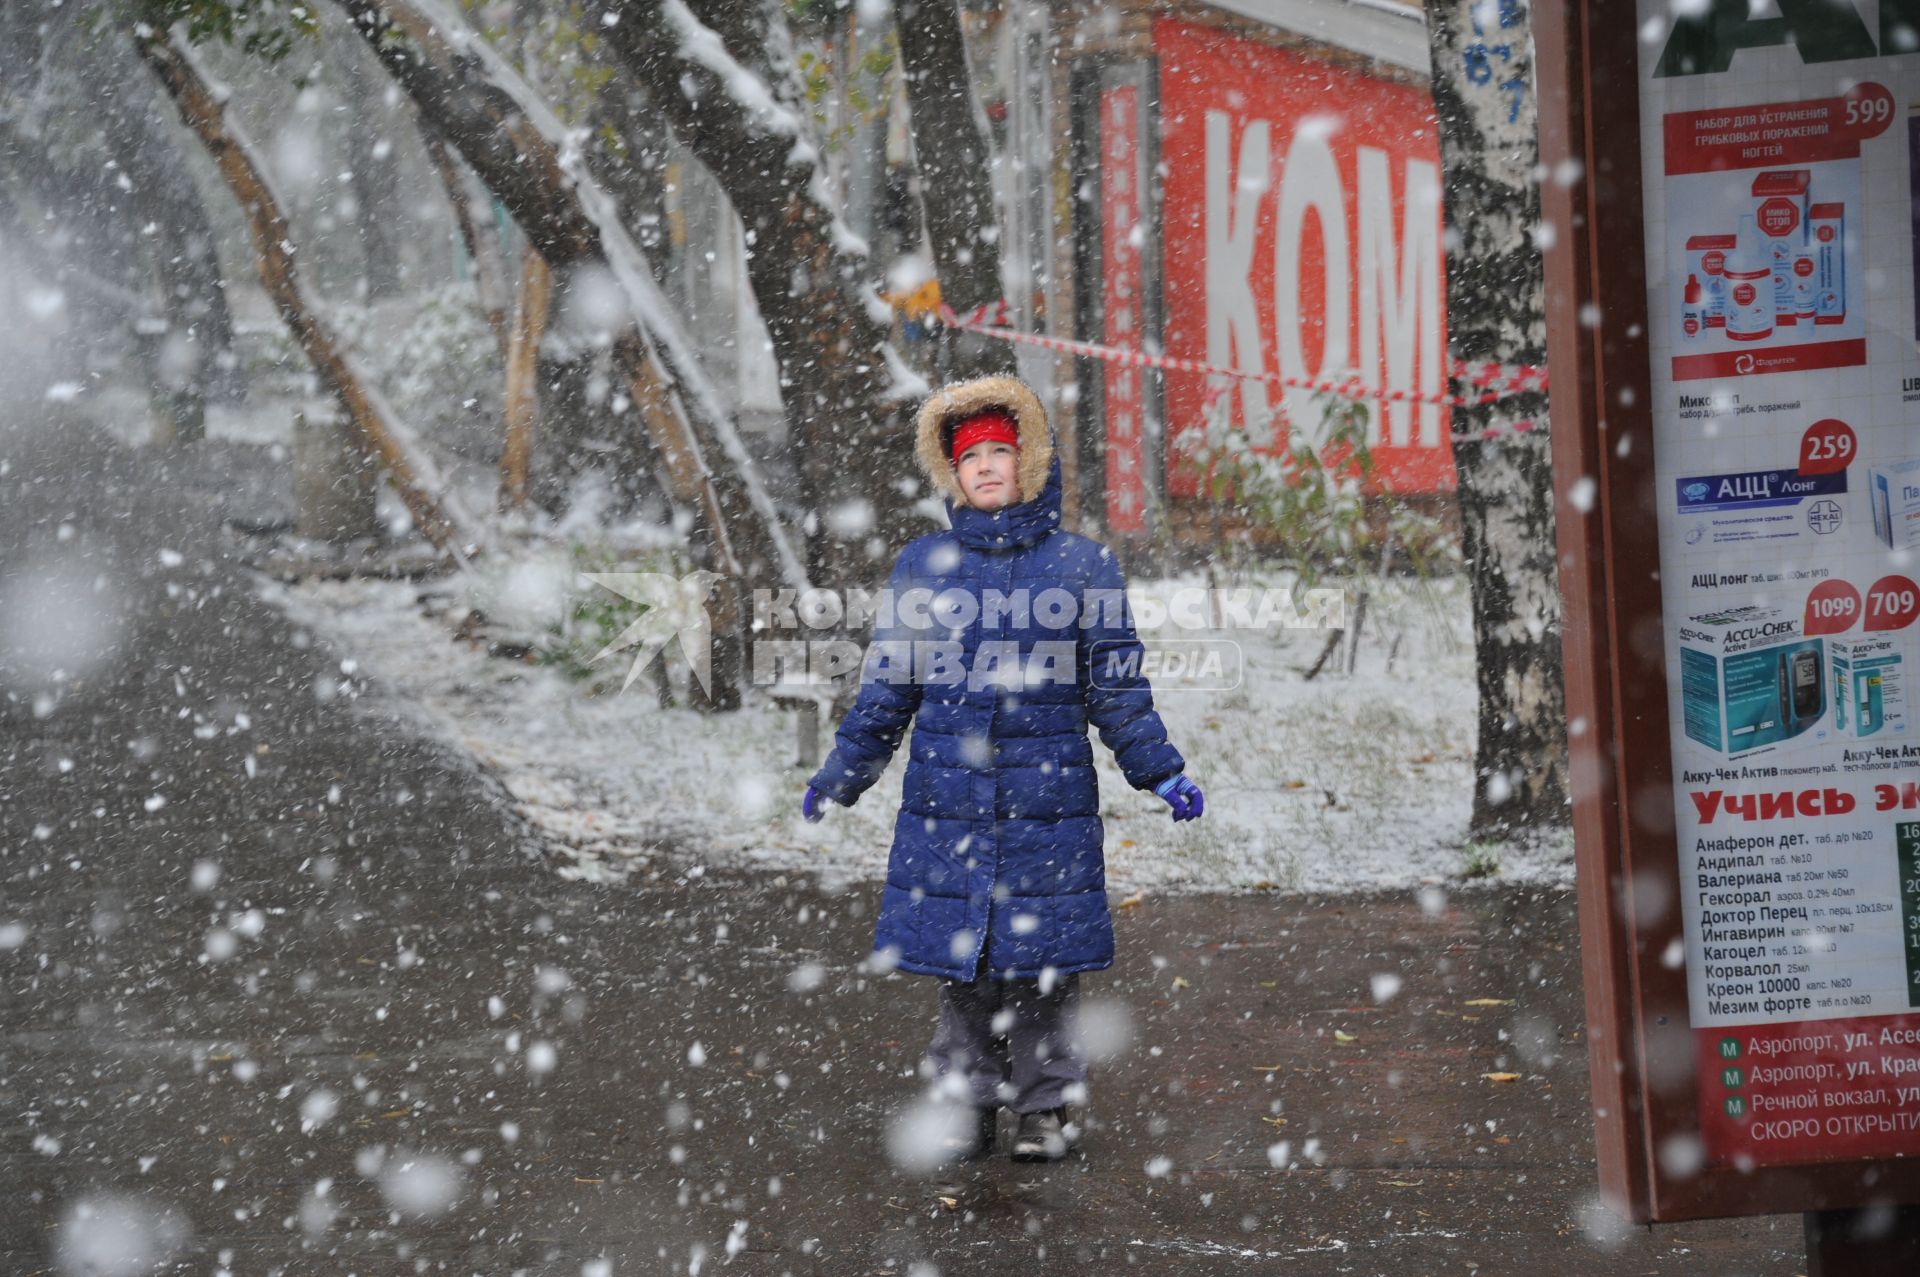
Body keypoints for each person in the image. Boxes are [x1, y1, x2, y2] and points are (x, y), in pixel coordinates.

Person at [799, 374, 1205, 1163]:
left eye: (1000, 452)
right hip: (950, 800)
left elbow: (1116, 689)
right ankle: (969, 1101)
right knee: (969, 966)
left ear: (1031, 462)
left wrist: (1160, 771)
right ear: (952, 473)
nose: (986, 466)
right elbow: (889, 687)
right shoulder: (925, 566)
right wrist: (840, 774)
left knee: (1044, 967)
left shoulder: (1080, 568)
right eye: (971, 456)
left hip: (1044, 801)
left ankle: (1047, 1107)